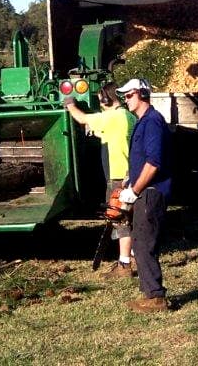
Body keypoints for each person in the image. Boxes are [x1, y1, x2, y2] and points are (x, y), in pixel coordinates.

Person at [63, 82, 136, 278]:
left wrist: (69, 103)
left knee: (120, 219)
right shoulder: (128, 116)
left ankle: (124, 264)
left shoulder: (111, 117)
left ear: (105, 98)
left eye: (99, 99)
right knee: (130, 218)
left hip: (117, 174)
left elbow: (81, 118)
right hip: (130, 173)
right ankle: (133, 256)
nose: (100, 103)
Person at [116, 77, 172, 313]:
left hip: (150, 193)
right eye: (124, 96)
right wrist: (129, 178)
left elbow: (154, 163)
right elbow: (142, 160)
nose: (125, 99)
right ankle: (150, 293)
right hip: (143, 191)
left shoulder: (152, 122)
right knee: (140, 242)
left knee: (144, 244)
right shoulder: (142, 122)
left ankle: (156, 297)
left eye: (129, 95)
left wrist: (134, 191)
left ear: (141, 94)